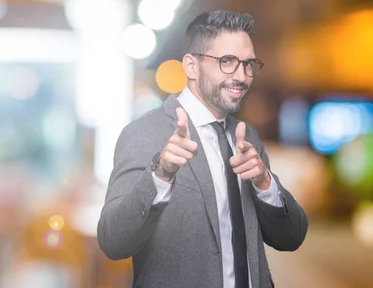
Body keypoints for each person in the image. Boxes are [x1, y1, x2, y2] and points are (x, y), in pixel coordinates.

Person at [97, 10, 308, 288]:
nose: (242, 76)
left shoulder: (247, 137)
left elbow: (291, 237)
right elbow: (113, 242)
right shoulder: (145, 133)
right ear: (191, 66)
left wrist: (264, 182)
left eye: (249, 64)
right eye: (228, 61)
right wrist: (161, 175)